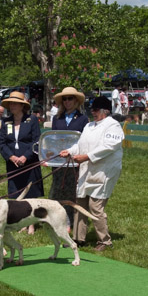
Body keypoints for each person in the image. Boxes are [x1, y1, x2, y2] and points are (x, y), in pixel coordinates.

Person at [59, 95, 124, 251]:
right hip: (87, 168)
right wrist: (70, 151)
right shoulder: (89, 126)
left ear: (106, 111)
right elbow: (80, 144)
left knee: (95, 206)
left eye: (96, 110)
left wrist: (87, 157)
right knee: (80, 204)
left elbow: (109, 146)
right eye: (92, 110)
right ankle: (78, 238)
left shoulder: (113, 126)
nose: (93, 112)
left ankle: (104, 240)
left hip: (104, 170)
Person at [0, 91, 44, 234]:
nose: (12, 106)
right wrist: (11, 157)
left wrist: (25, 156)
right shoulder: (6, 121)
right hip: (13, 163)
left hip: (29, 161)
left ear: (22, 105)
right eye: (10, 103)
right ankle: (20, 222)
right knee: (15, 192)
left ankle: (31, 223)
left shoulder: (32, 120)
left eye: (15, 103)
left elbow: (37, 141)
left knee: (30, 192)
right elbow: (2, 143)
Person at [50, 87, 89, 233]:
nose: (67, 102)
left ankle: (71, 222)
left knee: (72, 191)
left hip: (74, 160)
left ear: (76, 101)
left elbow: (84, 141)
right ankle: (58, 220)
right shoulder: (57, 118)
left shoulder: (83, 119)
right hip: (59, 160)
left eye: (70, 98)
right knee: (58, 190)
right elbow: (53, 139)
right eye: (64, 99)